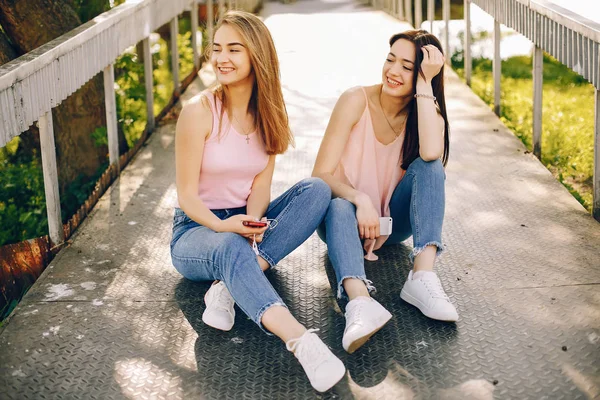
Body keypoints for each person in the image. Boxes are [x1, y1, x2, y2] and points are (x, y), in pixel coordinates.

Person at [171, 11, 345, 392]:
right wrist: (224, 227)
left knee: (316, 189)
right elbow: (186, 195)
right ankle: (302, 342)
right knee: (230, 244)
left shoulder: (270, 112)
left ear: (257, 55)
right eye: (216, 48)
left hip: (242, 223)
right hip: (197, 230)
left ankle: (231, 282)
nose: (221, 58)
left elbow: (260, 187)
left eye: (234, 48)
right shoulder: (198, 112)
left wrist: (251, 223)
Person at [312, 30, 459, 354]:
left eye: (407, 66)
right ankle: (359, 302)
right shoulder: (355, 100)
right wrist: (360, 199)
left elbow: (432, 153)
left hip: (392, 226)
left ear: (423, 73)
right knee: (337, 206)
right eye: (390, 59)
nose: (393, 71)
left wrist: (424, 86)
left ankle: (422, 278)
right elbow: (320, 174)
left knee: (431, 166)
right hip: (343, 220)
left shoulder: (424, 112)